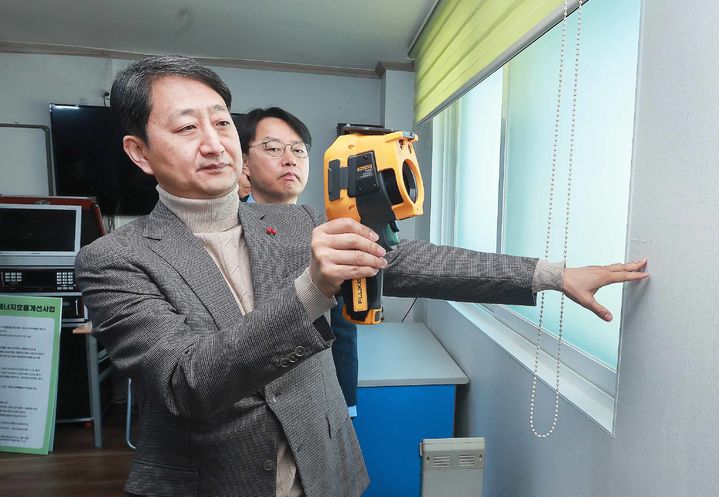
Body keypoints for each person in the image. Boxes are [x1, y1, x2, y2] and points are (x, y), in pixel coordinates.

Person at [75, 55, 648, 497]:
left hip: (325, 473)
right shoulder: (114, 259)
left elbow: (412, 262)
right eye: (185, 128)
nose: (213, 143)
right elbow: (187, 382)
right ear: (140, 152)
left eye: (222, 123)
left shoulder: (293, 222)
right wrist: (311, 291)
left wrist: (552, 274)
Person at [238, 106, 360, 417]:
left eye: (298, 150)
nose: (289, 159)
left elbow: (342, 329)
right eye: (273, 149)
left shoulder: (326, 231)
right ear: (244, 163)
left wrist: (346, 404)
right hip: (245, 399)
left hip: (314, 395)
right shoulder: (227, 228)